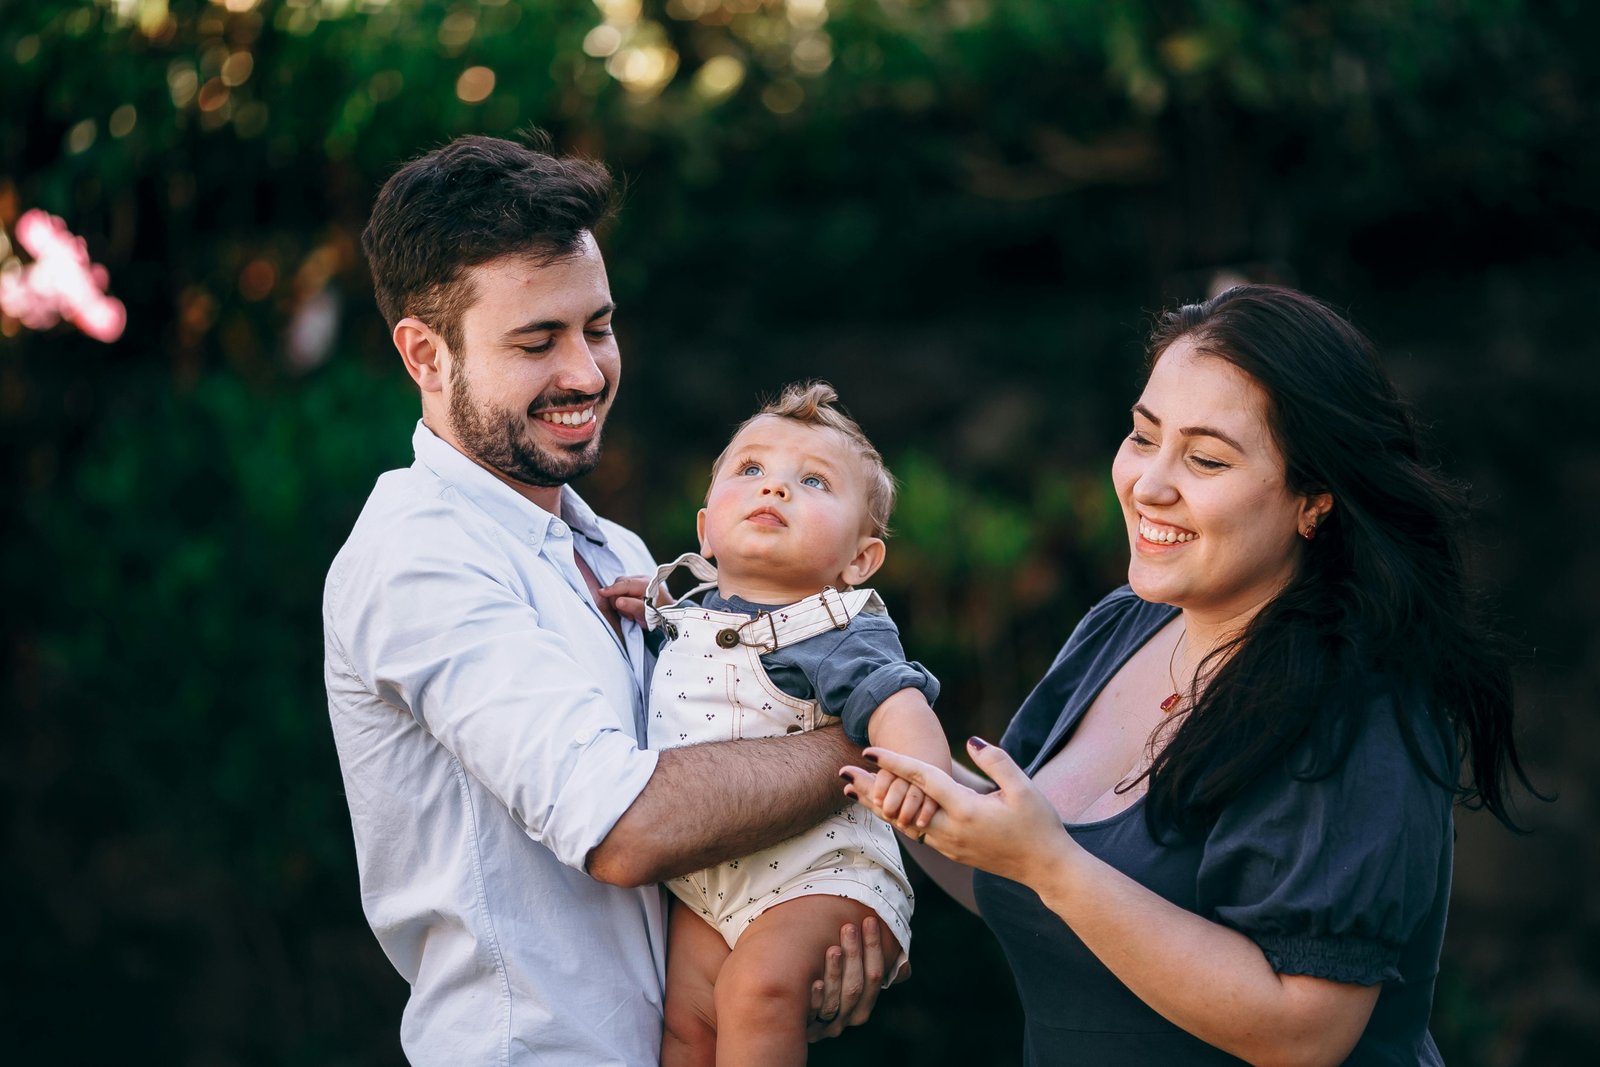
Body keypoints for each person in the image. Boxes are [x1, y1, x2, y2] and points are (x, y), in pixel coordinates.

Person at [842, 284, 1541, 1065]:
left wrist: (1053, 863)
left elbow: (1304, 1030)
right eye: (1144, 437)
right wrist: (856, 773)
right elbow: (1013, 869)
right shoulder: (1124, 622)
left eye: (1206, 458)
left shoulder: (1360, 703)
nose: (1149, 484)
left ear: (1315, 498)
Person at [322, 134, 886, 1066]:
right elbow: (625, 827)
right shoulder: (417, 555)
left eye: (598, 326)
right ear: (425, 353)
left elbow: (702, 816)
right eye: (538, 341)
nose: (586, 372)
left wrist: (781, 954)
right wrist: (868, 740)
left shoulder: (616, 551)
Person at [636, 381, 948, 1065]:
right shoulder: (676, 616)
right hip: (705, 881)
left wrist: (920, 781)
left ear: (859, 561)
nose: (774, 488)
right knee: (686, 1023)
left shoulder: (835, 627)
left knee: (755, 992)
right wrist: (641, 602)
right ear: (706, 530)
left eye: (812, 481)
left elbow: (897, 701)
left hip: (821, 874)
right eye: (751, 470)